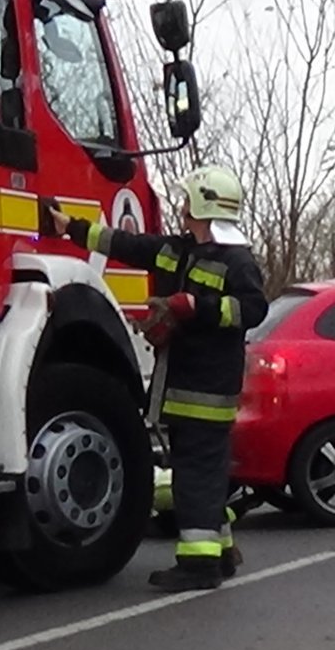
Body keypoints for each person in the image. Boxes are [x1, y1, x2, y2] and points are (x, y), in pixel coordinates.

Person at [42, 166, 269, 592]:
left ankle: (198, 565)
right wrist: (70, 228)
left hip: (207, 388)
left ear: (203, 205)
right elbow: (126, 244)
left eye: (188, 204)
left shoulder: (236, 261)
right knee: (203, 470)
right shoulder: (177, 249)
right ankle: (219, 552)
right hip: (182, 383)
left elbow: (252, 310)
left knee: (194, 474)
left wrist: (195, 307)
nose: (182, 210)